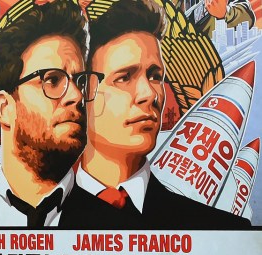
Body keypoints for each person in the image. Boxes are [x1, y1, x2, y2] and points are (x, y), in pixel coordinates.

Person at [0, 0, 126, 230]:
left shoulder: (121, 231)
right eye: (52, 80)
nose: (77, 95)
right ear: (5, 107)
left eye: (80, 82)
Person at [80, 0, 251, 228]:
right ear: (81, 90)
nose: (149, 93)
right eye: (124, 77)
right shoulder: (31, 224)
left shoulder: (222, 230)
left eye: (155, 76)